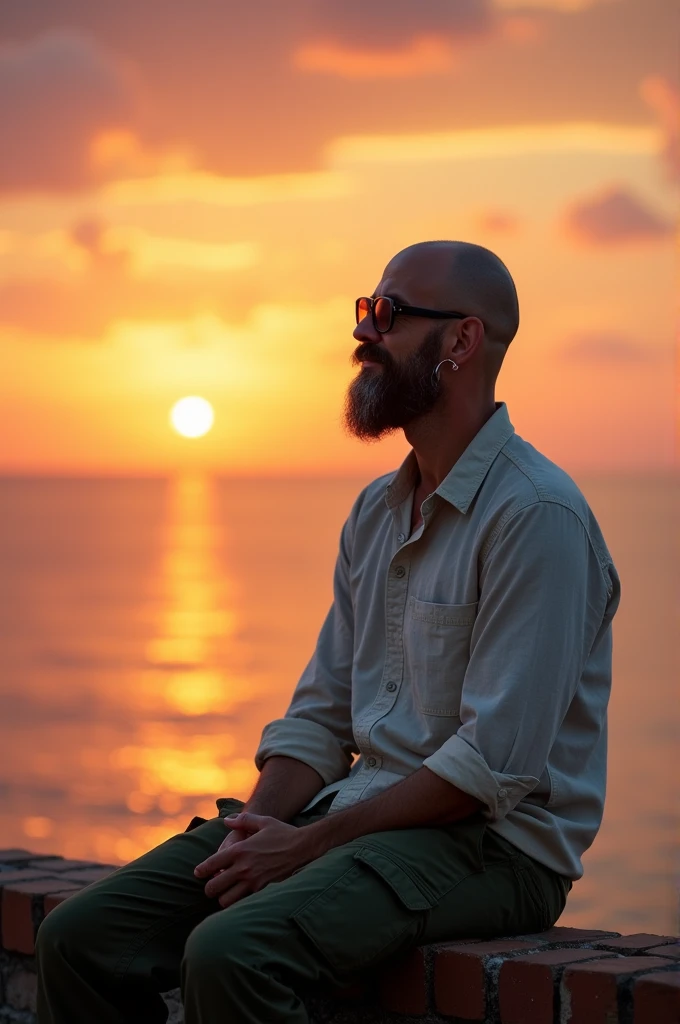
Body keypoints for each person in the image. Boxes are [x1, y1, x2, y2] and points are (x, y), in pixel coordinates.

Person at [36, 240, 620, 1024]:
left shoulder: (535, 517)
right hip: (357, 815)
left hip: (495, 849)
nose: (364, 333)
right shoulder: (377, 512)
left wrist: (307, 847)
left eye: (389, 313)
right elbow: (320, 718)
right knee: (78, 937)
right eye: (364, 309)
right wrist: (259, 829)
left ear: (461, 341)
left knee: (229, 952)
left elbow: (491, 770)